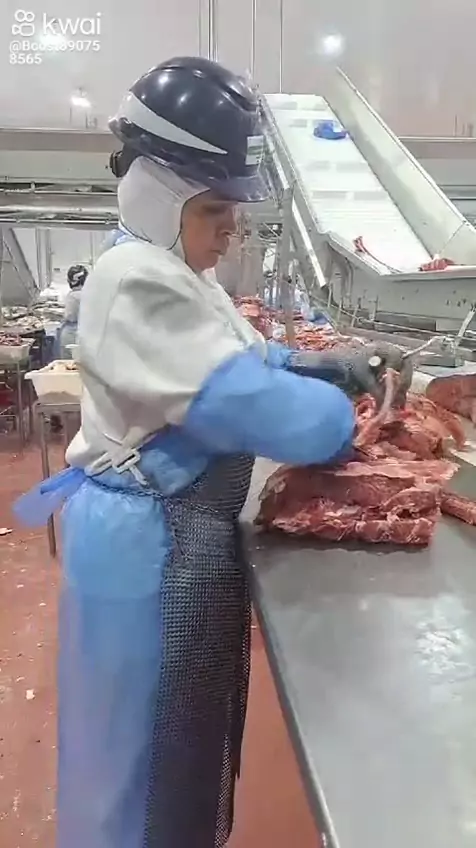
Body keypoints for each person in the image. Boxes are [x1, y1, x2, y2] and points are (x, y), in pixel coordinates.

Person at [15, 57, 412, 848]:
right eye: (213, 211)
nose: (230, 230)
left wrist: (321, 364)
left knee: (181, 747)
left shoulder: (174, 271)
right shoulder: (135, 279)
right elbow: (243, 400)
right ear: (156, 195)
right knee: (142, 762)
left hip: (170, 536)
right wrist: (345, 416)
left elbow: (243, 354)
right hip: (147, 547)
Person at [57, 264, 89, 358]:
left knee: (69, 363)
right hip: (87, 335)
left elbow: (70, 316)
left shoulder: (73, 296)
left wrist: (59, 315)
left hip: (72, 335)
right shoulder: (90, 293)